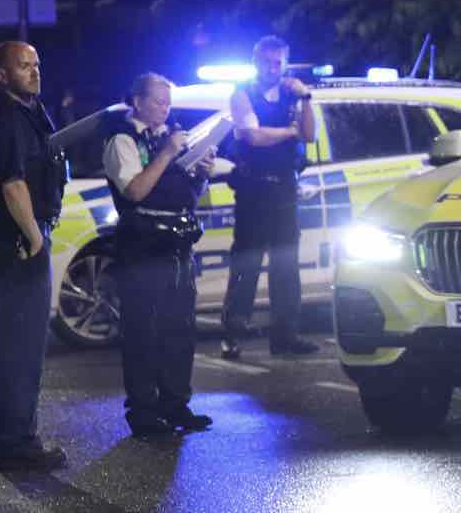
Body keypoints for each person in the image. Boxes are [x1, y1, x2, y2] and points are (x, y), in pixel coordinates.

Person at [103, 74, 223, 436]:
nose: (165, 109)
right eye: (158, 101)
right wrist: (168, 153)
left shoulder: (171, 137)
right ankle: (143, 411)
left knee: (179, 328)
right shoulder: (122, 139)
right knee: (144, 331)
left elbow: (185, 195)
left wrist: (201, 174)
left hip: (178, 244)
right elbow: (135, 191)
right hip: (143, 245)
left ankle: (175, 404)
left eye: (168, 103)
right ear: (138, 101)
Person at [0, 41, 70, 471]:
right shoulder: (7, 117)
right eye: (24, 66)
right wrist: (32, 235)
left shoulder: (26, 113)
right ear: (2, 75)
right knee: (20, 348)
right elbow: (12, 184)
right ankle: (17, 445)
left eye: (36, 64)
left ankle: (16, 441)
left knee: (18, 344)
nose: (34, 72)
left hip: (10, 238)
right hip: (20, 244)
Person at [221, 36, 320, 358]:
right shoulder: (242, 94)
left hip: (284, 189)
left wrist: (306, 97)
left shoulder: (293, 95)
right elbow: (254, 136)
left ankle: (285, 336)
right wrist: (289, 131)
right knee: (246, 264)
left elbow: (310, 134)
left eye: (278, 62)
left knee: (286, 265)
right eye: (266, 62)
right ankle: (233, 335)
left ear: (285, 64)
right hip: (253, 189)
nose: (272, 68)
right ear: (255, 62)